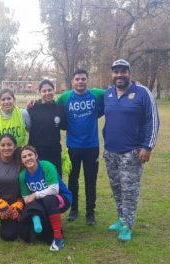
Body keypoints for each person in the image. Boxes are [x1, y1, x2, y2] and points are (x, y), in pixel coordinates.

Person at [103, 59, 159, 241]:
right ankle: (121, 218)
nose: (119, 75)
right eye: (116, 72)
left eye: (123, 71)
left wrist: (148, 147)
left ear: (129, 73)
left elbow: (153, 120)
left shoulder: (143, 93)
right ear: (112, 74)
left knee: (130, 190)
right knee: (117, 188)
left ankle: (128, 225)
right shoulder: (108, 93)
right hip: (110, 151)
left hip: (132, 152)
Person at [56, 69, 105, 225]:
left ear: (87, 80)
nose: (80, 82)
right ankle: (74, 209)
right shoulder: (64, 98)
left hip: (92, 146)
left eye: (83, 79)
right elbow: (52, 107)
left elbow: (113, 93)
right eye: (77, 79)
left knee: (91, 180)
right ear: (72, 82)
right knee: (73, 179)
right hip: (73, 146)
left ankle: (90, 213)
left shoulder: (97, 94)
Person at [18, 145, 72, 252]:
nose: (28, 158)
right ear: (22, 161)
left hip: (61, 198)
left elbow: (54, 190)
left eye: (30, 155)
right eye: (24, 157)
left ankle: (58, 238)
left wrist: (35, 195)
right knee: (32, 204)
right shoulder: (22, 176)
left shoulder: (46, 166)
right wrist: (34, 199)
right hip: (41, 202)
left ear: (36, 156)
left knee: (49, 199)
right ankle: (37, 220)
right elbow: (26, 198)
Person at [27, 80, 66, 175]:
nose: (47, 93)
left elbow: (64, 126)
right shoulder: (33, 107)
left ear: (53, 90)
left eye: (50, 90)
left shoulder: (59, 108)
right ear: (39, 93)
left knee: (56, 181)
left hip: (54, 151)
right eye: (44, 91)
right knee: (38, 181)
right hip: (36, 152)